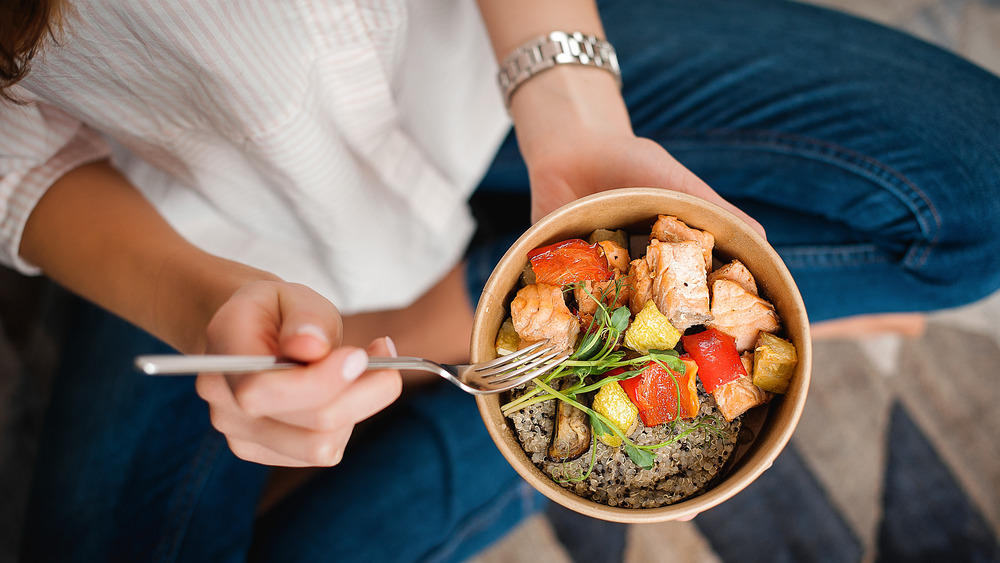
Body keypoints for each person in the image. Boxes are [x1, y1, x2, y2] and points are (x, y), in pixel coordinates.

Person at [2, 0, 998, 561]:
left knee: (979, 193)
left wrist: (575, 108)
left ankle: (463, 326)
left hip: (491, 59)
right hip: (207, 216)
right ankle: (506, 350)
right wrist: (201, 305)